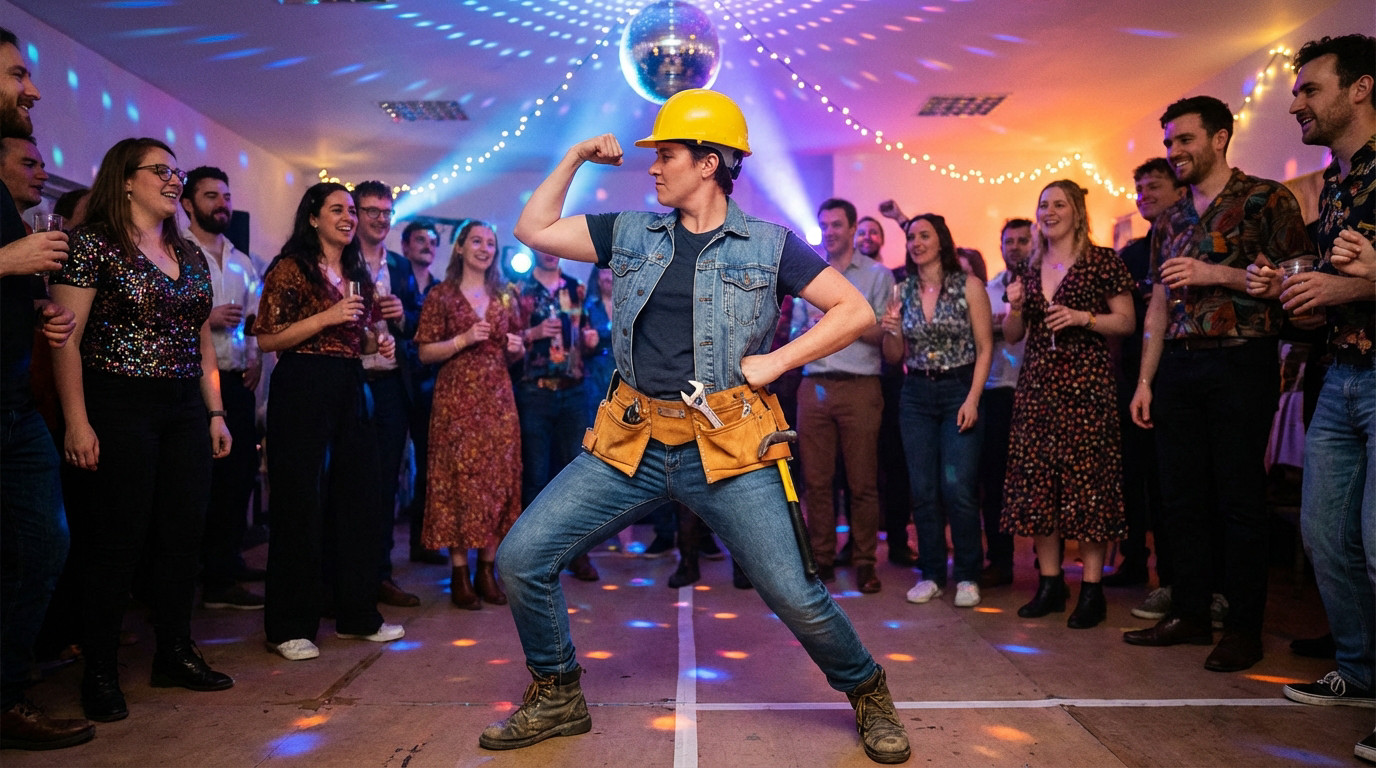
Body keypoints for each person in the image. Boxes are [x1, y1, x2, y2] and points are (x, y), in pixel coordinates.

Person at [486, 89, 910, 764]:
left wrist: (777, 360)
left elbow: (853, 310)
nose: (654, 168)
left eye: (670, 156)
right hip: (633, 438)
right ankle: (559, 692)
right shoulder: (628, 232)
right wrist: (572, 157)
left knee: (794, 595)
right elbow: (533, 230)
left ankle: (868, 690)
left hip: (729, 442)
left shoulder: (769, 246)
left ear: (710, 162)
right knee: (521, 559)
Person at [49, 137, 235, 721]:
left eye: (177, 171)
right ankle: (100, 670)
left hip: (184, 404)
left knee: (182, 534)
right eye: (161, 170)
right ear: (125, 180)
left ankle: (174, 652)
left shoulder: (189, 251)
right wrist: (77, 423)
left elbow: (201, 337)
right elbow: (66, 340)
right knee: (116, 540)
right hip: (118, 401)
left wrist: (214, 411)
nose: (174, 180)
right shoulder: (91, 244)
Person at [1124, 96, 1311, 672]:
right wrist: (1145, 380)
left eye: (1184, 140)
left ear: (1220, 138)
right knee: (1181, 498)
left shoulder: (1266, 198)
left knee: (1238, 498)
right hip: (1176, 367)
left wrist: (1217, 274)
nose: (1174, 152)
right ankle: (1190, 612)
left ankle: (1244, 628)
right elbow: (1157, 304)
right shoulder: (1170, 219)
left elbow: (1299, 281)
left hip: (1240, 362)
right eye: (1169, 143)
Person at [1250, 34, 1376, 763]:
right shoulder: (1334, 182)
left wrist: (1349, 285)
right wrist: (1295, 293)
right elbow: (1331, 293)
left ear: (1359, 89)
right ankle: (1359, 674)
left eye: (1309, 89)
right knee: (1326, 538)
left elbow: (1358, 281)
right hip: (1338, 375)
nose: (1296, 102)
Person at [252, 181, 405, 662]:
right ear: (313, 217)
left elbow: (354, 336)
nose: (349, 217)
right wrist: (329, 316)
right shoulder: (290, 267)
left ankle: (357, 614)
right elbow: (268, 339)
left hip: (348, 381)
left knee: (359, 497)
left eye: (351, 211)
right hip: (301, 384)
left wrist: (378, 344)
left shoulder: (356, 269)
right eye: (337, 209)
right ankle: (288, 627)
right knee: (300, 503)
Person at [0, 25, 92, 750]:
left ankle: (8, 693)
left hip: (10, 401)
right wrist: (8, 263)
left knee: (42, 544)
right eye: (15, 74)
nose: (31, 89)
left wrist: (29, 306)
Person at [1000, 181, 1136, 629]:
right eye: (1043, 204)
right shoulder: (1027, 263)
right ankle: (1050, 584)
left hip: (1087, 387)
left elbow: (1127, 321)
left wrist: (1083, 317)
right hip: (1038, 387)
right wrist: (1015, 308)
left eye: (1059, 204)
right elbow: (1014, 335)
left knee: (1088, 487)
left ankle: (1091, 589)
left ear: (1077, 211)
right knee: (1040, 487)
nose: (1049, 211)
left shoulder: (1102, 261)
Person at [880, 214, 992, 608]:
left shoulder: (969, 285)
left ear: (941, 241)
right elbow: (895, 356)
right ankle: (931, 573)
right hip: (915, 394)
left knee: (957, 487)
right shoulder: (902, 289)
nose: (916, 242)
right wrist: (890, 330)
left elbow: (985, 346)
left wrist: (974, 398)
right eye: (911, 236)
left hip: (958, 389)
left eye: (924, 235)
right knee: (923, 489)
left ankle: (967, 575)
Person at [415, 219, 525, 610]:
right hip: (456, 400)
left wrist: (516, 347)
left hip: (498, 400)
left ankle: (487, 570)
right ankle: (459, 574)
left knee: (498, 482)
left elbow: (517, 349)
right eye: (476, 241)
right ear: (459, 247)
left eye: (491, 243)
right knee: (458, 484)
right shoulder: (440, 296)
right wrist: (462, 339)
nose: (484, 248)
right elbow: (425, 352)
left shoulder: (507, 294)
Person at [791, 198, 893, 592]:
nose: (830, 231)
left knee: (863, 482)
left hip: (861, 386)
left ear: (853, 229)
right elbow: (799, 331)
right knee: (816, 481)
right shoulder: (809, 273)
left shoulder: (877, 275)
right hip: (814, 383)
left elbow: (882, 333)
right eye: (824, 225)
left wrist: (838, 322)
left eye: (837, 224)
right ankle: (823, 559)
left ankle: (865, 562)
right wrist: (830, 325)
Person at [179, 165, 264, 611]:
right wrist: (205, 318)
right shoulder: (176, 250)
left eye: (227, 196)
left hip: (235, 382)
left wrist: (255, 360)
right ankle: (192, 578)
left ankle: (224, 570)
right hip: (190, 383)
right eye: (211, 196)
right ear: (188, 204)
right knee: (196, 486)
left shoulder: (241, 259)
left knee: (237, 481)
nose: (222, 204)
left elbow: (254, 322)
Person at [351, 181, 420, 608]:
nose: (380, 218)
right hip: (353, 383)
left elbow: (418, 324)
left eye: (386, 211)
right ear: (355, 213)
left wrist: (402, 316)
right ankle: (347, 576)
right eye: (371, 210)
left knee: (387, 485)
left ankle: (381, 575)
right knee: (350, 482)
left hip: (392, 384)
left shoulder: (399, 263)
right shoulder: (342, 258)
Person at [514, 249, 600, 582]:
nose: (550, 254)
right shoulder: (519, 291)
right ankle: (532, 558)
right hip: (534, 390)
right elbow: (504, 337)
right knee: (535, 475)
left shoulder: (576, 288)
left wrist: (590, 340)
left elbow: (586, 336)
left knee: (577, 478)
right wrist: (531, 335)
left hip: (573, 389)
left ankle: (579, 554)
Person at [857, 215, 916, 567]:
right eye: (861, 231)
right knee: (858, 470)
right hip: (857, 377)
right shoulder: (844, 277)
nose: (866, 236)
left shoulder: (893, 278)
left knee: (894, 465)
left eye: (872, 231)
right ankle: (855, 543)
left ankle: (897, 541)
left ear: (881, 239)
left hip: (890, 379)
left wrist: (900, 218)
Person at [976, 218, 1032, 589]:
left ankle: (1049, 569)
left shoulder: (1048, 284)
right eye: (1008, 241)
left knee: (1037, 481)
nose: (1014, 247)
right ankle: (1000, 560)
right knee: (993, 481)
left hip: (1036, 390)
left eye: (1022, 241)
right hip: (996, 391)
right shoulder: (988, 289)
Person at [393, 220, 446, 566]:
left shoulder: (443, 290)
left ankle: (422, 543)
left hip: (431, 385)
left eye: (432, 241)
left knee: (430, 466)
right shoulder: (393, 282)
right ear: (406, 246)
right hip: (396, 382)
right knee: (389, 464)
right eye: (420, 240)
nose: (427, 245)